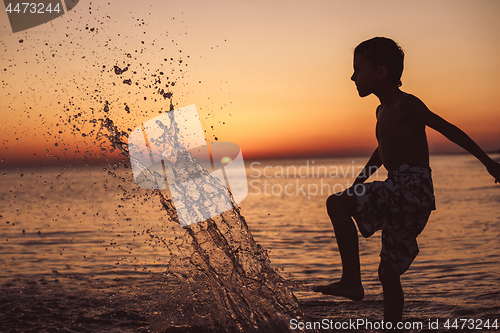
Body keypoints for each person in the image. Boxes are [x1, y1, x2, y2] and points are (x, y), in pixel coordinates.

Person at [313, 37, 500, 323]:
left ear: (381, 72)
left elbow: (448, 129)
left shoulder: (405, 104)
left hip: (411, 187)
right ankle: (392, 328)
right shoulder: (381, 111)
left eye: (358, 69)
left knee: (336, 205)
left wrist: (489, 163)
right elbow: (381, 152)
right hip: (406, 193)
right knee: (388, 273)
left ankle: (351, 280)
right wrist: (358, 182)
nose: (352, 76)